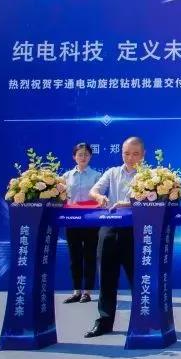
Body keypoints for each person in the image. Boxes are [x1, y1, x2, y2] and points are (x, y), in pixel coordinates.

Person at [85, 136, 144, 338]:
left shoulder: (149, 176)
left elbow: (150, 200)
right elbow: (94, 190)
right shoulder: (112, 172)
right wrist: (99, 196)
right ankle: (104, 322)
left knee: (138, 278)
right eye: (126, 153)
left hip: (135, 231)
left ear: (143, 155)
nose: (130, 158)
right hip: (109, 228)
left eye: (135, 154)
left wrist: (127, 204)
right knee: (106, 278)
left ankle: (142, 321)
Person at [61, 142, 101, 304]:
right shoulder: (66, 176)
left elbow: (99, 196)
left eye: (86, 154)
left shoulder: (97, 176)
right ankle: (76, 291)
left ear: (90, 156)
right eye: (80, 154)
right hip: (72, 221)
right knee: (74, 256)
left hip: (91, 220)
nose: (83, 157)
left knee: (89, 256)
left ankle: (87, 292)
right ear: (74, 157)